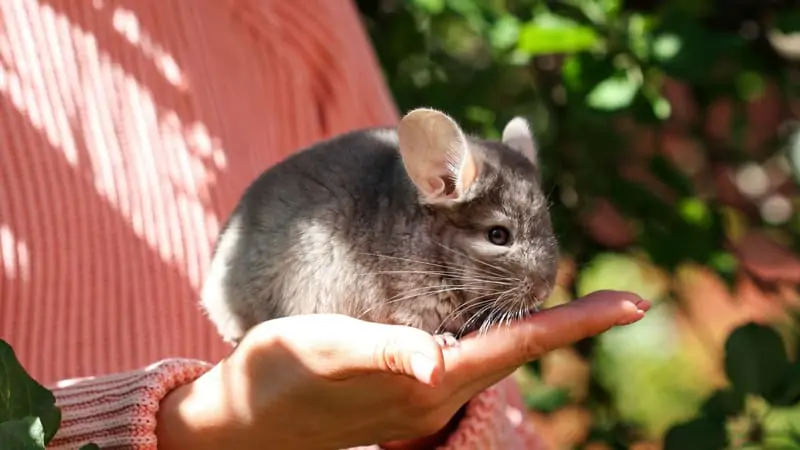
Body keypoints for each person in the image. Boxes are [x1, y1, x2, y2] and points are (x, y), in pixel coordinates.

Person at [0, 0, 649, 448]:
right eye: (502, 241)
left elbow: (504, 431)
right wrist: (202, 427)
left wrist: (426, 425)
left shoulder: (292, 16)